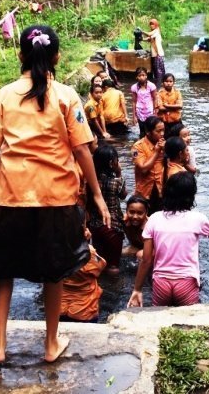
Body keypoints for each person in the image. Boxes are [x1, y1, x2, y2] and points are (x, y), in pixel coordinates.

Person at [0, 24, 111, 364]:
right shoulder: (66, 97)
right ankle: (50, 343)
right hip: (56, 197)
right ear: (57, 56)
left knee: (3, 270)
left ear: (20, 56)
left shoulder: (5, 95)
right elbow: (83, 150)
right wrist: (98, 196)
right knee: (54, 270)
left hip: (10, 196)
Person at [127, 172, 209, 307]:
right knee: (188, 322)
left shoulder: (154, 219)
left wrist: (137, 289)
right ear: (191, 195)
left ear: (167, 192)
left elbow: (146, 260)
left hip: (161, 282)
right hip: (186, 281)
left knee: (160, 322)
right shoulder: (198, 218)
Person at [88, 145, 126, 276]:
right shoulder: (116, 181)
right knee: (114, 265)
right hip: (113, 225)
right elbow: (123, 195)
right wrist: (119, 173)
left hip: (95, 225)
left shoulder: (91, 182)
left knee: (100, 260)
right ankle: (115, 292)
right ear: (112, 163)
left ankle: (99, 284)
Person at [60, 231, 106, 323]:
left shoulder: (55, 251)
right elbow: (102, 264)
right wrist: (88, 245)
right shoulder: (88, 253)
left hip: (59, 307)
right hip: (83, 310)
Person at [132, 115, 165, 212]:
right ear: (148, 132)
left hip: (161, 190)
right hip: (144, 192)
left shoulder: (164, 144)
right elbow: (143, 169)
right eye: (158, 131)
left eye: (163, 130)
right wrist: (157, 152)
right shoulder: (136, 147)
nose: (162, 134)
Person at [131, 66, 158, 138]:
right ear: (136, 77)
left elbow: (155, 99)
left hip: (150, 111)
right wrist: (134, 116)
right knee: (142, 131)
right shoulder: (134, 87)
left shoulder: (151, 86)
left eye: (143, 75)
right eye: (139, 76)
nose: (142, 77)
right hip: (140, 111)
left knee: (150, 130)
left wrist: (156, 112)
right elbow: (134, 101)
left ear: (146, 76)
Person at [142, 18, 166, 86]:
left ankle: (159, 84)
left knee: (159, 71)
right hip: (154, 54)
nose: (151, 26)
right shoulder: (154, 33)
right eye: (150, 24)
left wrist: (142, 31)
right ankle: (157, 84)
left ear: (156, 25)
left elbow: (149, 34)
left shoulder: (156, 31)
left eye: (153, 24)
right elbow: (149, 39)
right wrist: (142, 39)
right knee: (155, 70)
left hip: (158, 54)